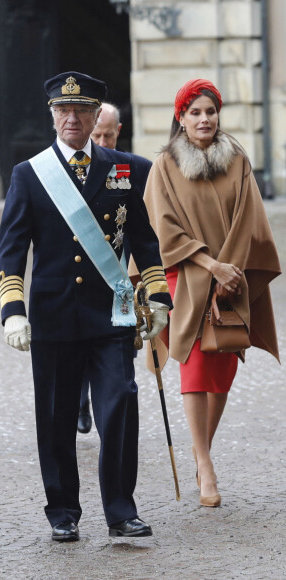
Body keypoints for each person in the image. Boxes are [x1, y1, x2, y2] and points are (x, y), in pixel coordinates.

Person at [0, 71, 173, 542]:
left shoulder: (129, 168)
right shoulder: (29, 174)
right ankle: (62, 510)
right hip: (54, 315)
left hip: (110, 313)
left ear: (98, 116)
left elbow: (144, 240)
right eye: (63, 110)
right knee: (55, 416)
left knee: (120, 405)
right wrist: (12, 308)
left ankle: (120, 509)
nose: (71, 118)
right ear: (52, 115)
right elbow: (11, 250)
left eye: (81, 110)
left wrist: (157, 297)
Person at [140, 78, 280, 508]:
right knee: (195, 367)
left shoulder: (237, 160)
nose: (204, 119)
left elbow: (250, 220)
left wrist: (229, 272)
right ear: (180, 118)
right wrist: (209, 264)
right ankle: (205, 463)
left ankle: (202, 453)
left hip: (231, 279)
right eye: (195, 112)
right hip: (185, 276)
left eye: (211, 111)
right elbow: (162, 225)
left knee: (222, 371)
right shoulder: (164, 164)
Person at [78, 102, 153, 434]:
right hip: (82, 277)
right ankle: (81, 398)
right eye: (98, 135)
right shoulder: (70, 169)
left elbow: (147, 228)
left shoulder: (137, 168)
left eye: (109, 135)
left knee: (120, 356)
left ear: (118, 131)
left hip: (120, 279)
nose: (104, 142)